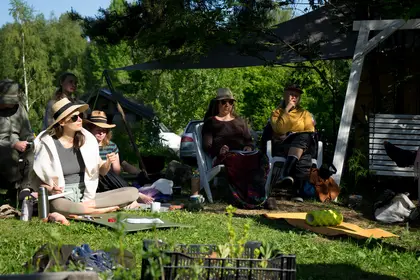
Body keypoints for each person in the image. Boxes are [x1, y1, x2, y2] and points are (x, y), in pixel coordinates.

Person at [32, 98, 140, 216]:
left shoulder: (87, 141)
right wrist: (51, 189)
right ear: (62, 122)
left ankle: (83, 209)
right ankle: (99, 210)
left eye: (80, 116)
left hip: (87, 195)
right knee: (57, 205)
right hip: (62, 196)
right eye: (74, 118)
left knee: (132, 192)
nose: (79, 119)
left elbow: (102, 172)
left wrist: (108, 162)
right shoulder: (47, 144)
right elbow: (39, 183)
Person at [199, 88, 267, 209]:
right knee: (235, 159)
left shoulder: (240, 121)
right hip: (224, 155)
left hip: (243, 154)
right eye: (224, 102)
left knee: (260, 157)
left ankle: (258, 195)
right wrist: (219, 150)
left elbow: (248, 140)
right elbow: (206, 145)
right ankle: (243, 197)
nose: (227, 105)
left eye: (230, 102)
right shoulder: (211, 122)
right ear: (217, 104)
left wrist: (248, 146)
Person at [84, 110, 154, 203]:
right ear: (90, 129)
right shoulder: (85, 145)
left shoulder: (111, 146)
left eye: (104, 130)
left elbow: (117, 171)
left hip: (110, 180)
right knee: (102, 170)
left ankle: (132, 194)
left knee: (108, 172)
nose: (101, 133)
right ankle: (134, 194)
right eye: (98, 130)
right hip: (92, 178)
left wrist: (111, 162)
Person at [270, 84, 315, 202]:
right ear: (285, 95)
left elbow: (310, 130)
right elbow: (279, 129)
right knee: (304, 152)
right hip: (284, 145)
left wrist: (294, 132)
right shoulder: (277, 112)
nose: (294, 97)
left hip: (301, 143)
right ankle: (297, 192)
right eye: (291, 94)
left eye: (297, 95)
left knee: (304, 137)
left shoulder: (304, 113)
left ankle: (286, 173)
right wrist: (287, 110)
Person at [0, 80, 34, 199]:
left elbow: (27, 132)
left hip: (20, 145)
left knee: (33, 149)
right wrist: (13, 144)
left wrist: (31, 141)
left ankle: (25, 189)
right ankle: (15, 186)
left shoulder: (19, 108)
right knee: (7, 152)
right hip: (4, 149)